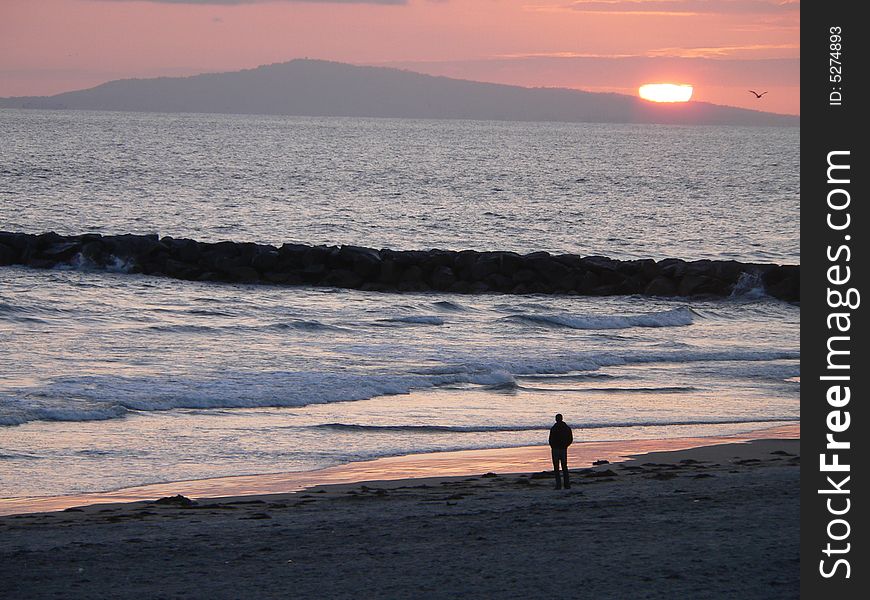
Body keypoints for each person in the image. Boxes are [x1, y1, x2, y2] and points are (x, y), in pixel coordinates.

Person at [548, 413, 573, 489]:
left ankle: (559, 485)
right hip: (562, 448)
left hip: (557, 449)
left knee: (557, 467)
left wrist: (553, 446)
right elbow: (570, 439)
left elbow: (550, 439)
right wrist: (566, 445)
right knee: (564, 467)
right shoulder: (566, 428)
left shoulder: (554, 428)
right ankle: (566, 485)